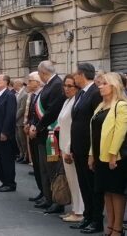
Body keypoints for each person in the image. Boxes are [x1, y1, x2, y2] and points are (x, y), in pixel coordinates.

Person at [89, 73, 127, 236]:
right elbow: (94, 133)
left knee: (116, 191)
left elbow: (120, 132)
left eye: (104, 83)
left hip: (115, 157)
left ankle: (118, 228)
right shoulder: (101, 106)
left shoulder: (121, 105)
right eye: (100, 83)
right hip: (99, 155)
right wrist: (91, 154)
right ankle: (110, 225)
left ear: (114, 86)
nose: (100, 86)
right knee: (106, 191)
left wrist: (112, 155)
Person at [70, 63, 103, 234]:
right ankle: (88, 216)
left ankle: (97, 220)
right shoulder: (81, 94)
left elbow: (96, 124)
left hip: (89, 149)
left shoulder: (95, 93)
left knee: (92, 186)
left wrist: (92, 152)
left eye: (75, 74)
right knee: (84, 184)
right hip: (78, 148)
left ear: (82, 75)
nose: (73, 77)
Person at [29, 61, 66, 214]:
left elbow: (52, 111)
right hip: (43, 134)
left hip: (50, 134)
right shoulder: (49, 85)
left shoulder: (56, 84)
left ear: (43, 72)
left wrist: (37, 126)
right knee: (44, 169)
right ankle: (47, 196)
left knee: (52, 169)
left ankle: (57, 200)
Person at [57, 74, 84, 222]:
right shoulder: (67, 101)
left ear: (77, 87)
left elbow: (75, 127)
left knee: (77, 180)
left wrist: (68, 149)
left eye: (70, 86)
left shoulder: (76, 102)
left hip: (70, 147)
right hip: (64, 145)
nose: (66, 89)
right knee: (72, 181)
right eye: (65, 86)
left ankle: (80, 212)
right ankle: (75, 209)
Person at [0, 74, 17, 192]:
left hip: (4, 133)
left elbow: (10, 115)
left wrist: (5, 132)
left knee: (6, 159)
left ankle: (10, 183)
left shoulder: (9, 96)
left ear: (6, 82)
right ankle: (4, 181)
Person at [25, 72, 44, 203]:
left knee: (42, 167)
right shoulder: (33, 96)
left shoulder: (41, 95)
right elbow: (32, 114)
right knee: (36, 166)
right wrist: (28, 124)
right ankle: (41, 191)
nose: (28, 82)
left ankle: (45, 192)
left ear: (38, 82)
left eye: (30, 80)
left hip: (39, 134)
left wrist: (34, 126)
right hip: (31, 132)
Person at [14, 79, 28, 163]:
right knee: (18, 139)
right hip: (16, 121)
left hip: (20, 120)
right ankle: (21, 154)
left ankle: (25, 156)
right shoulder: (17, 94)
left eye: (15, 83)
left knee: (23, 140)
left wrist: (15, 117)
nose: (13, 85)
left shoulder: (24, 94)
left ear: (18, 84)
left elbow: (22, 109)